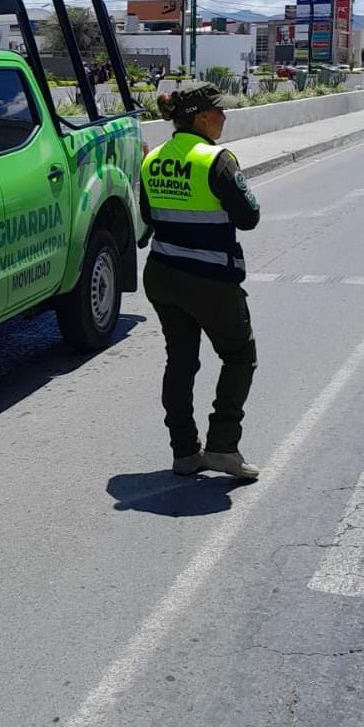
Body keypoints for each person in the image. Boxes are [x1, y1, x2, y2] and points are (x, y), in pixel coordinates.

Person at [139, 83, 261, 478]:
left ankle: (185, 452)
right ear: (201, 117)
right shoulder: (216, 160)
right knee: (240, 356)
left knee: (180, 361)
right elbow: (249, 217)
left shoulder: (153, 159)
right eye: (219, 111)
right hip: (210, 281)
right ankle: (223, 447)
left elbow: (149, 214)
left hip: (162, 275)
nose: (225, 117)